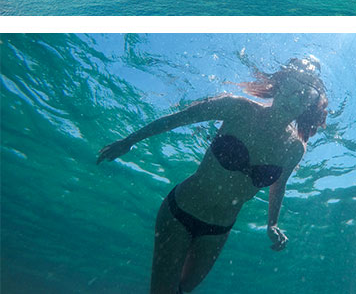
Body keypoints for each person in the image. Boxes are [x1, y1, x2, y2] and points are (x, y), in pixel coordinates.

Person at [97, 57, 328, 294]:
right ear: (279, 85)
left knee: (185, 288)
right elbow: (177, 119)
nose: (295, 98)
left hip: (218, 229)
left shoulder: (294, 148)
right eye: (291, 88)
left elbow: (279, 185)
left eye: (305, 95)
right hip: (181, 211)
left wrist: (272, 224)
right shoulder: (237, 107)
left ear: (310, 105)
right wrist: (129, 141)